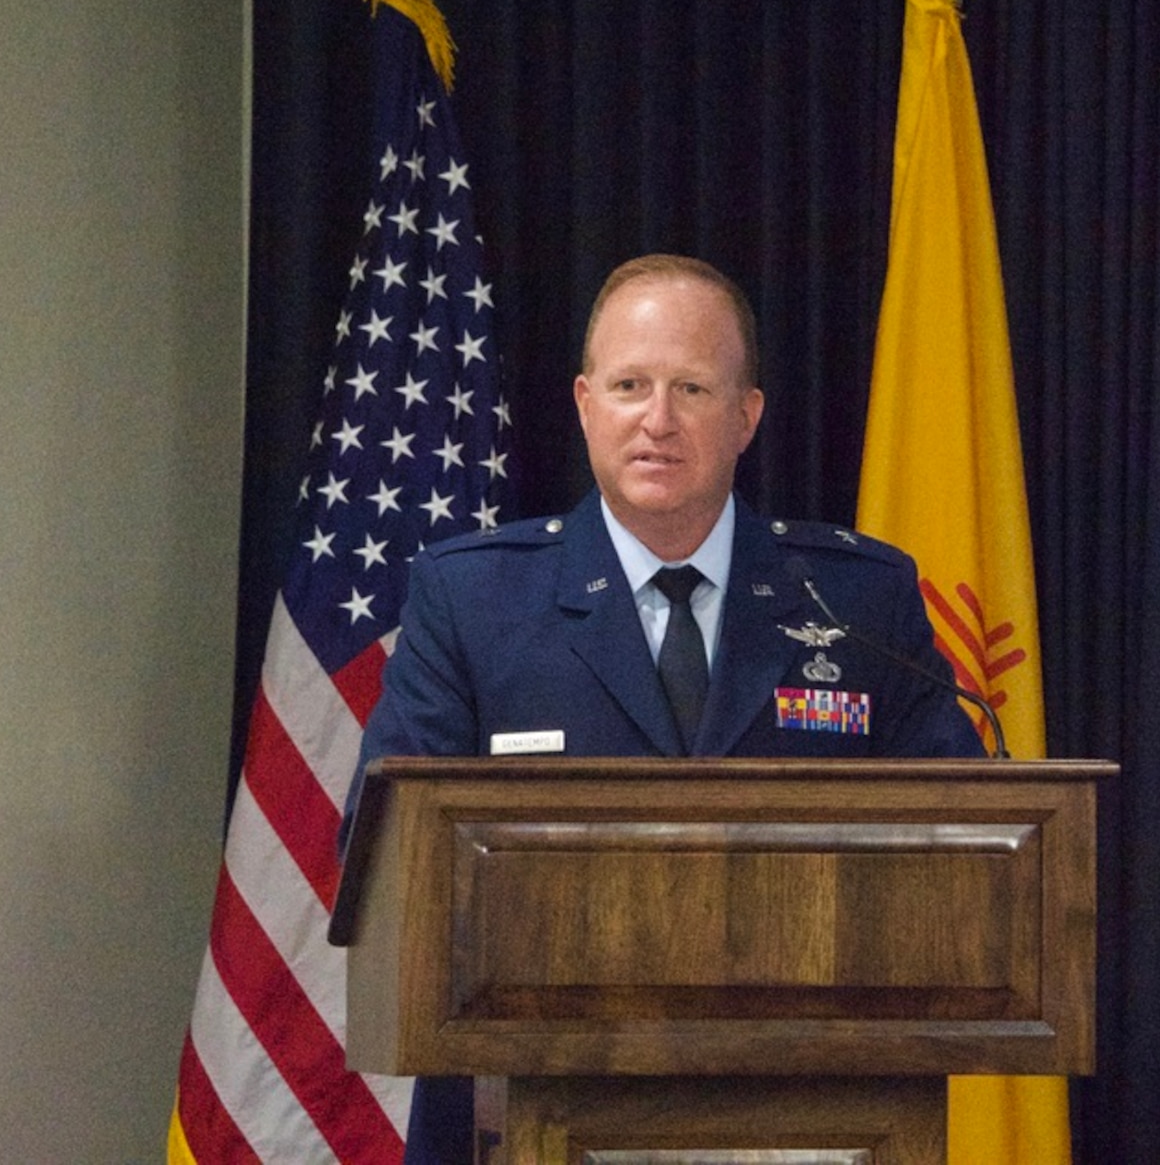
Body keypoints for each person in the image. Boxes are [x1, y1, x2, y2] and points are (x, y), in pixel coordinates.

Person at [342, 252, 987, 1164]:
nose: (657, 419)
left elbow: (968, 843)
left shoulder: (854, 598)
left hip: (813, 1113)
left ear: (746, 415)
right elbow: (378, 857)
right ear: (583, 403)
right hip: (530, 1110)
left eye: (691, 386)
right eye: (630, 384)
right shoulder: (475, 600)